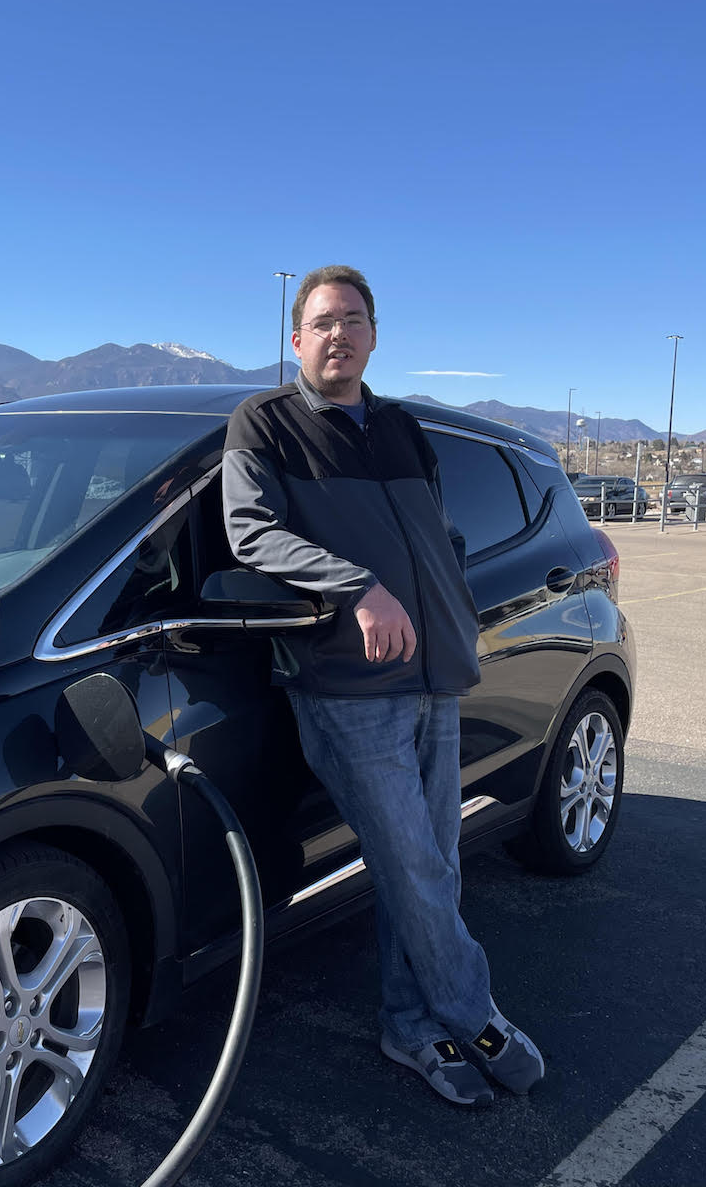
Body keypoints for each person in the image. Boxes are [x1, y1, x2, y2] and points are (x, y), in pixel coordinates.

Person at [221, 265, 543, 1107]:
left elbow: (439, 530)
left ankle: (410, 1027)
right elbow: (249, 531)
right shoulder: (267, 422)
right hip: (346, 683)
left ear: (374, 336)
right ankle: (472, 1011)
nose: (339, 334)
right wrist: (356, 586)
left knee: (431, 863)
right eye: (323, 322)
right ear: (297, 340)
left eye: (353, 320)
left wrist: (454, 611)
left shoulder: (401, 426)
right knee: (414, 863)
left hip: (436, 673)